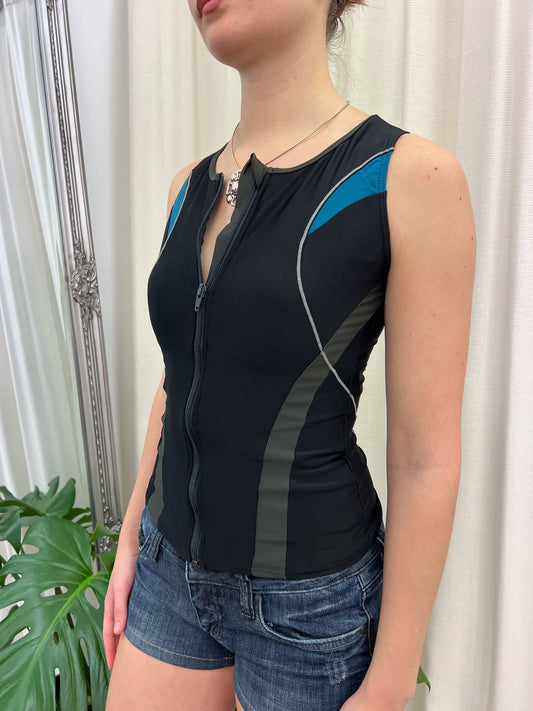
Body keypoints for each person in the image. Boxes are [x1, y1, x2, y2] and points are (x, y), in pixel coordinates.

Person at [104, 0, 476, 709]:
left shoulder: (407, 177)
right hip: (166, 572)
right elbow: (177, 382)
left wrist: (391, 679)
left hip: (310, 609)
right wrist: (128, 544)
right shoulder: (188, 186)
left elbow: (423, 456)